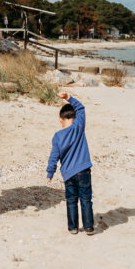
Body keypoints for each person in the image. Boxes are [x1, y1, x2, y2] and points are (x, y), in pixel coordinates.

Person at [46, 92, 95, 235]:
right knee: (86, 199)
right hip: (83, 170)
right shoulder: (78, 126)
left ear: (60, 119)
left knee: (71, 201)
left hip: (68, 174)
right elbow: (81, 108)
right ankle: (89, 227)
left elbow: (54, 156)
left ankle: (73, 227)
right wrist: (68, 98)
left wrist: (50, 172)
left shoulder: (57, 136)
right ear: (74, 118)